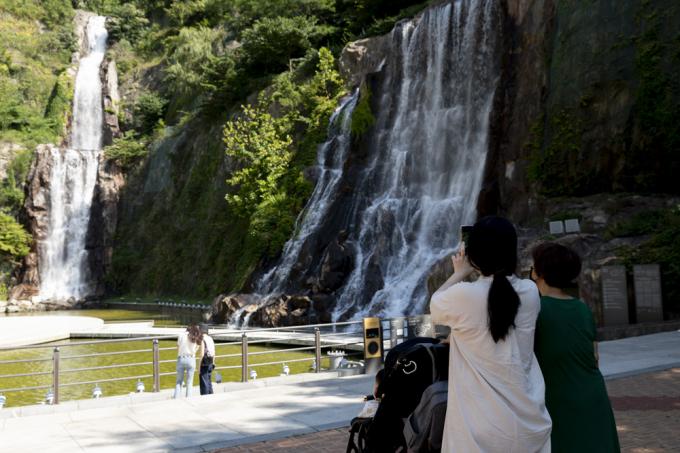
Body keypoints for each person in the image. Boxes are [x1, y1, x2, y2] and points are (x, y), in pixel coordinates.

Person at [430, 216, 551, 453]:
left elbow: (435, 305)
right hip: (528, 425)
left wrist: (460, 272)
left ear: (473, 255)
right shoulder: (530, 292)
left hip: (476, 427)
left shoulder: (463, 295)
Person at [531, 242, 620, 453]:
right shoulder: (581, 308)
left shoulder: (535, 310)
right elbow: (594, 356)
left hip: (558, 399)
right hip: (593, 395)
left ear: (538, 273)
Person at [173, 324, 203, 398]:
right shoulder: (195, 336)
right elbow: (197, 348)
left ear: (186, 329)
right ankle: (188, 399)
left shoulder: (181, 335)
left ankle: (176, 399)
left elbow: (178, 348)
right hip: (191, 359)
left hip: (181, 358)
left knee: (179, 382)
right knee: (189, 382)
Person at [199, 323, 216, 395]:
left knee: (204, 382)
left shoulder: (202, 340)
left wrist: (199, 367)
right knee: (209, 381)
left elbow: (201, 355)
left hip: (204, 363)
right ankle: (211, 395)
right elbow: (214, 352)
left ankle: (205, 398)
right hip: (211, 361)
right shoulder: (210, 338)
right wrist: (213, 362)